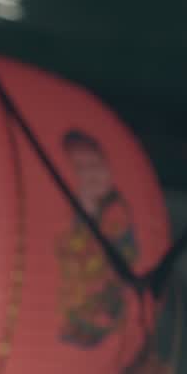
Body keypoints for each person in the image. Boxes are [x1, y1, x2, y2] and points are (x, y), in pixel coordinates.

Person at [56, 129, 138, 347]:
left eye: (96, 165)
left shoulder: (116, 214)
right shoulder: (67, 215)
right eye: (81, 168)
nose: (91, 175)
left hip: (100, 294)